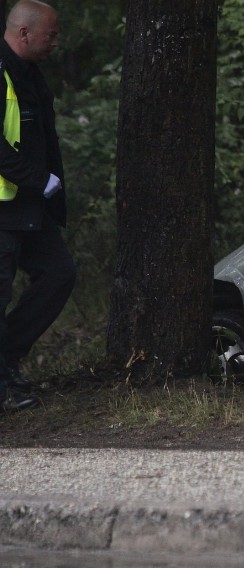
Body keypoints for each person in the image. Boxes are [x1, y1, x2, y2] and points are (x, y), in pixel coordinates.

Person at [0, 0, 75, 412]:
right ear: (24, 33)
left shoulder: (30, 73)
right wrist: (38, 179)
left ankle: (7, 358)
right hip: (5, 208)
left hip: (31, 209)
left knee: (59, 274)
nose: (56, 42)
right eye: (51, 34)